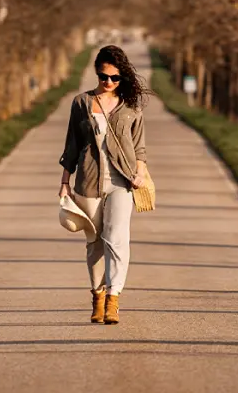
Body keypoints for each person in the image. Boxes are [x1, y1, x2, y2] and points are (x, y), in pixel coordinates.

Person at [58, 45, 149, 325]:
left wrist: (141, 171)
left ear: (123, 77)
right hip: (88, 180)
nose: (108, 82)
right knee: (95, 242)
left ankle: (113, 299)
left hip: (122, 182)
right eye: (103, 77)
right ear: (96, 74)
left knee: (116, 238)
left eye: (114, 78)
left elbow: (139, 146)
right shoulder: (81, 103)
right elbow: (72, 144)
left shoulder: (131, 106)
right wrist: (65, 181)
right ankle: (97, 298)